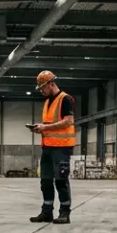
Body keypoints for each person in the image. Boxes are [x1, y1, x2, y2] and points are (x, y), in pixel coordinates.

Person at [29, 70, 76, 224]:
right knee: (46, 181)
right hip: (48, 147)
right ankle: (47, 211)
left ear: (51, 84)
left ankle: (64, 213)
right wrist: (40, 128)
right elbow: (49, 125)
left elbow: (68, 121)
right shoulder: (48, 102)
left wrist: (45, 128)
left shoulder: (65, 99)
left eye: (43, 87)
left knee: (61, 180)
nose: (41, 90)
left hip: (62, 148)